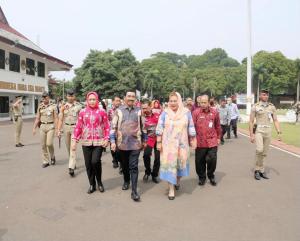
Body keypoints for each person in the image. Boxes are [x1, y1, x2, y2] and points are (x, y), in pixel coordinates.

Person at [156, 92, 196, 200]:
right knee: (170, 166)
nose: (173, 103)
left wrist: (193, 140)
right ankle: (171, 189)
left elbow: (191, 127)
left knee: (180, 165)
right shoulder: (165, 113)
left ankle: (177, 180)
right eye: (171, 101)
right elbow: (159, 128)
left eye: (175, 101)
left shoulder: (186, 113)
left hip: (182, 145)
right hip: (168, 146)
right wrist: (158, 142)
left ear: (179, 101)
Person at [110, 91, 146, 202]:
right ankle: (126, 181)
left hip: (135, 144)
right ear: (125, 98)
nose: (131, 98)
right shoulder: (118, 111)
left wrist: (145, 140)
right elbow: (113, 127)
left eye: (133, 97)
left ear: (135, 99)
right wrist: (112, 141)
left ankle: (134, 191)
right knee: (125, 166)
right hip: (122, 144)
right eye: (129, 96)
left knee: (134, 167)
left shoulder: (139, 111)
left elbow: (143, 127)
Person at [72, 92, 110, 194]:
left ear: (97, 100)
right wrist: (75, 140)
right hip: (86, 141)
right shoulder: (82, 112)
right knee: (88, 164)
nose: (92, 101)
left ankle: (100, 182)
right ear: (87, 101)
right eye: (90, 99)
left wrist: (107, 138)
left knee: (95, 161)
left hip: (99, 141)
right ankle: (92, 184)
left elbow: (107, 126)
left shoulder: (102, 112)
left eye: (94, 99)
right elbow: (79, 126)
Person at [249, 89, 282, 180]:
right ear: (260, 96)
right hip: (259, 130)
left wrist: (279, 132)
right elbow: (251, 121)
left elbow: (275, 120)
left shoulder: (271, 107)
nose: (265, 96)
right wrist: (251, 135)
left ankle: (262, 170)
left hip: (268, 131)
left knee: (264, 152)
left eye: (266, 95)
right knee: (259, 150)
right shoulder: (255, 106)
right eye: (263, 95)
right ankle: (256, 170)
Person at [192, 95, 221, 186]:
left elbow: (218, 126)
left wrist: (219, 138)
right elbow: (192, 127)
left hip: (212, 141)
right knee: (199, 161)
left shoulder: (214, 112)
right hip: (200, 142)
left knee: (212, 160)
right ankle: (202, 177)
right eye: (201, 102)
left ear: (209, 102)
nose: (203, 104)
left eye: (205, 102)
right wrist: (192, 140)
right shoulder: (196, 113)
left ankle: (211, 175)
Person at [57, 89, 82, 177]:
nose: (70, 97)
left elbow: (81, 119)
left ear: (74, 96)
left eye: (72, 95)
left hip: (75, 128)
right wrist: (59, 130)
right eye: (69, 95)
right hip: (66, 127)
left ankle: (71, 167)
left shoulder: (79, 106)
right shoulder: (63, 107)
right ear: (67, 96)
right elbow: (60, 119)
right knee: (68, 147)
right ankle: (73, 162)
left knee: (73, 147)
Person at [32, 92, 58, 168]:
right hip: (42, 126)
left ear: (48, 97)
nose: (44, 99)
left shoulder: (53, 106)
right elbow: (37, 118)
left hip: (51, 126)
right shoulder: (40, 106)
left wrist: (57, 129)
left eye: (45, 97)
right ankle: (45, 161)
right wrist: (34, 128)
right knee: (43, 145)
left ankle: (52, 156)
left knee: (49, 143)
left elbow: (56, 118)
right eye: (43, 98)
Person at [141, 99, 160, 184]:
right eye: (143, 108)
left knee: (158, 158)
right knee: (146, 155)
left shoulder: (157, 115)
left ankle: (155, 175)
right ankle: (147, 171)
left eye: (146, 108)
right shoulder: (141, 117)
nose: (144, 110)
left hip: (158, 139)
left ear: (150, 107)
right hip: (148, 139)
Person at [108, 96, 122, 172]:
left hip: (120, 132)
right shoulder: (110, 111)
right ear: (113, 102)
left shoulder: (122, 110)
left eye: (119, 101)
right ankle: (115, 160)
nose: (118, 102)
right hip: (112, 131)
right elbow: (107, 120)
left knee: (120, 149)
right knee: (113, 148)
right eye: (116, 101)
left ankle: (121, 163)